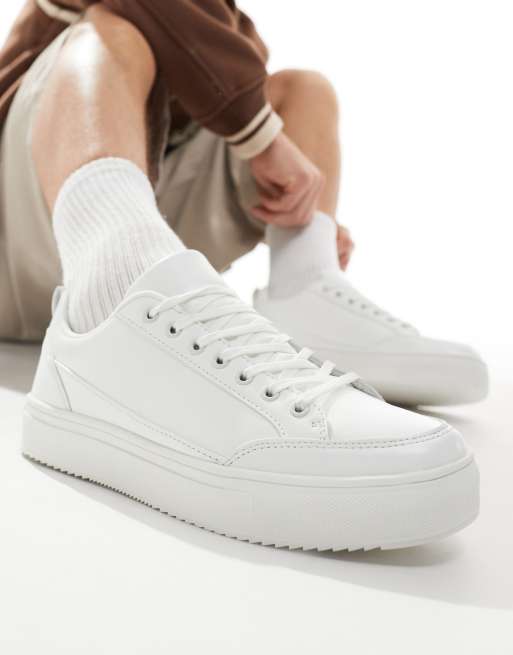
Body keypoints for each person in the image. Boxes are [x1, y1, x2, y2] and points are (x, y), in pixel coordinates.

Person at [0, 1, 482, 549]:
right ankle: (114, 289)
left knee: (302, 90)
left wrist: (308, 220)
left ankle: (305, 288)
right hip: (16, 232)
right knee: (111, 34)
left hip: (140, 214)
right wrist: (261, 139)